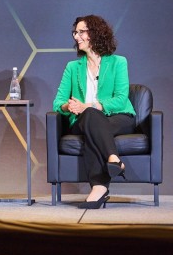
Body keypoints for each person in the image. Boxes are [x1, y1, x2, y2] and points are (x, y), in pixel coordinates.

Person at [53, 15, 136, 209]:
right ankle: (114, 159)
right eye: (75, 32)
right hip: (84, 119)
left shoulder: (118, 62)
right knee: (90, 116)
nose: (77, 37)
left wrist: (89, 105)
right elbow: (58, 102)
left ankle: (99, 188)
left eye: (82, 32)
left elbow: (120, 99)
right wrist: (69, 106)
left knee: (92, 124)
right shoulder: (73, 67)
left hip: (119, 117)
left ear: (96, 33)